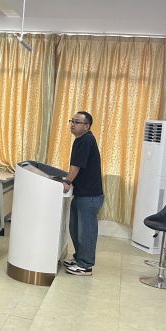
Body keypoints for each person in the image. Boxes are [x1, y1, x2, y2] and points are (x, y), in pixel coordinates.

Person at [62, 111, 104, 276]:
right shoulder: (80, 140)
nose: (72, 124)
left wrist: (67, 181)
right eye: (71, 121)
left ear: (86, 126)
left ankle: (85, 265)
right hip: (81, 194)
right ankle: (79, 258)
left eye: (77, 122)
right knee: (75, 228)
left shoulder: (86, 140)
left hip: (90, 196)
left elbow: (76, 166)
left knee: (86, 231)